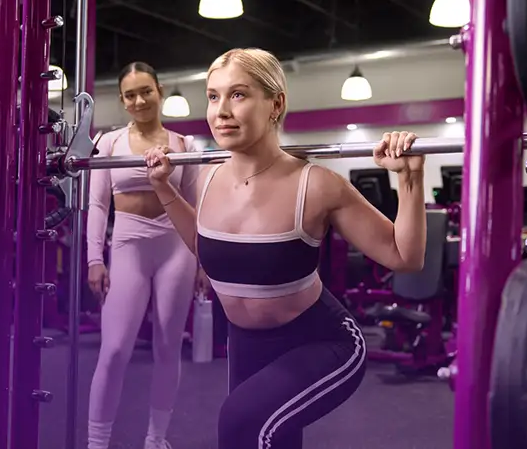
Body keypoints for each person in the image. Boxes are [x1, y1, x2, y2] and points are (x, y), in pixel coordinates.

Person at [144, 48, 427, 449]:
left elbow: (405, 257)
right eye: (213, 96)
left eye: (238, 95)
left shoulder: (316, 184)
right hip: (246, 344)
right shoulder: (206, 177)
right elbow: (204, 246)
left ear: (275, 104)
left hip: (322, 342)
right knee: (266, 439)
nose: (221, 111)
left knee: (240, 424)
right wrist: (162, 188)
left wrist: (409, 179)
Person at [86, 61, 206, 449]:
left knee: (168, 348)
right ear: (122, 101)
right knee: (114, 349)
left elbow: (195, 206)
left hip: (176, 248)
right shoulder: (109, 143)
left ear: (160, 91)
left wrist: (203, 261)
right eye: (130, 95)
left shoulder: (184, 145)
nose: (139, 101)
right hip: (128, 246)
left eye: (146, 91)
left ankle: (156, 439)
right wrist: (94, 258)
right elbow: (98, 205)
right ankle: (96, 443)